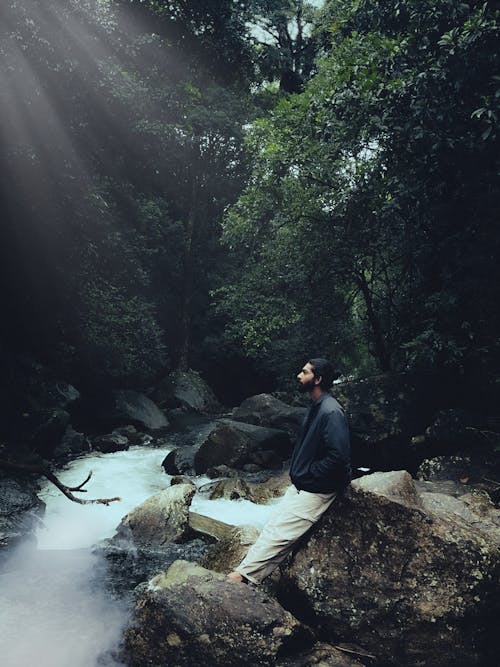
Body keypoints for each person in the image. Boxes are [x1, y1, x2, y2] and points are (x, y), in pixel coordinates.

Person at [227, 358, 351, 585]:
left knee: (280, 534)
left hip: (318, 488)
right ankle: (248, 574)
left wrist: (310, 474)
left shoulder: (331, 411)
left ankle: (240, 577)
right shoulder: (317, 406)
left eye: (304, 372)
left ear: (318, 379)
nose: (299, 375)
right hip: (304, 483)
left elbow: (339, 457)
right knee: (274, 527)